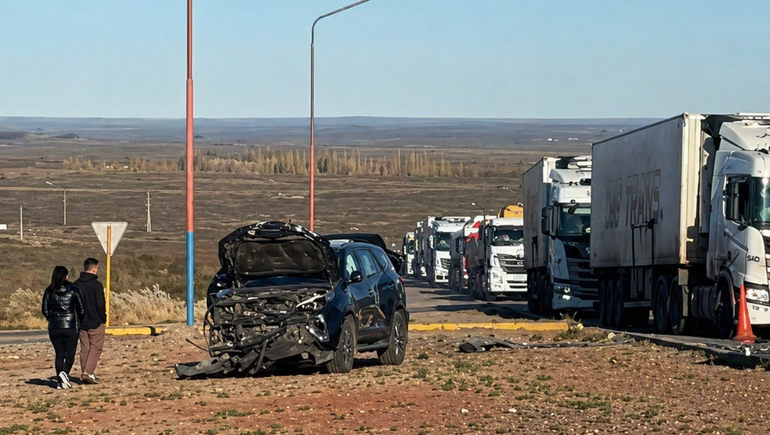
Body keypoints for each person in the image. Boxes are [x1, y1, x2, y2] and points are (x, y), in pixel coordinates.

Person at [41, 265, 85, 390]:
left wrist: (53, 319)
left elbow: (44, 310)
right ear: (66, 276)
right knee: (70, 354)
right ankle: (64, 373)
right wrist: (78, 321)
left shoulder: (49, 290)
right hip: (70, 326)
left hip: (54, 327)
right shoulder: (74, 289)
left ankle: (60, 382)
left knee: (59, 354)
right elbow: (81, 309)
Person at [74, 258, 106, 385]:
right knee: (96, 347)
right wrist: (103, 318)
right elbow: (100, 304)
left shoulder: (76, 284)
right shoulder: (96, 285)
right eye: (97, 268)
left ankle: (85, 373)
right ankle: (88, 372)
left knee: (85, 348)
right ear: (94, 268)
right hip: (95, 321)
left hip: (81, 321)